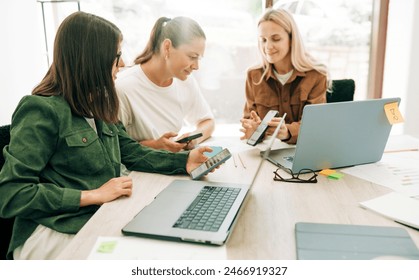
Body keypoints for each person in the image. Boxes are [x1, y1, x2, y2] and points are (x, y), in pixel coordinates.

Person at [0, 11, 216, 260]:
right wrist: (91, 195)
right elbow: (12, 193)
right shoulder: (41, 110)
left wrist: (185, 162)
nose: (123, 64)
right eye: (116, 57)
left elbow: (131, 152)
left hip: (100, 216)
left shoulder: (97, 103)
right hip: (54, 232)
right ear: (92, 59)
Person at [116, 16, 215, 153]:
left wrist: (194, 138)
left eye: (199, 58)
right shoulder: (123, 87)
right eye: (192, 57)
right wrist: (155, 145)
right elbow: (113, 147)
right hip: (137, 170)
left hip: (172, 164)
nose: (196, 66)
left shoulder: (186, 81)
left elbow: (207, 122)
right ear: (167, 47)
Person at [240, 8, 329, 144]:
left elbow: (316, 126)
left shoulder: (317, 75)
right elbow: (249, 121)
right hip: (265, 154)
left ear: (292, 39)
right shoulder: (253, 75)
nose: (268, 46)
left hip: (305, 150)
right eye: (263, 40)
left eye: (276, 39)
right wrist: (252, 131)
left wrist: (287, 131)